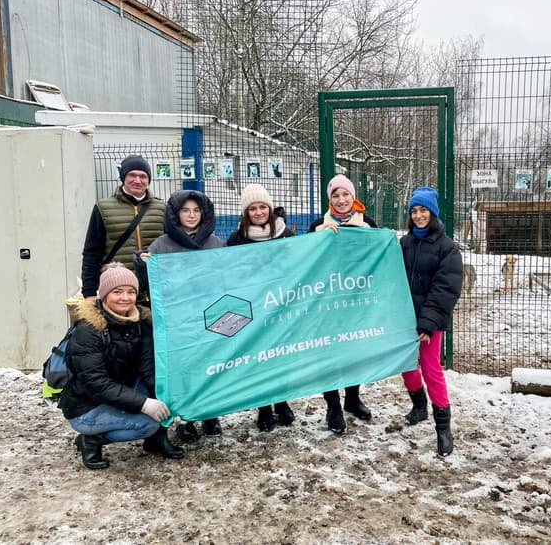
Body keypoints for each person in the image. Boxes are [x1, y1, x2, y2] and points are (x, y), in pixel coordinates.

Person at [60, 263, 185, 470]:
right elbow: (97, 384)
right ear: (104, 295)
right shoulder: (88, 331)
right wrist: (144, 404)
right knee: (148, 423)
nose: (125, 298)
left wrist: (173, 400)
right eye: (117, 292)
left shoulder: (139, 323)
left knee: (160, 391)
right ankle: (91, 439)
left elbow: (148, 369)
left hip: (121, 391)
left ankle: (156, 440)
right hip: (87, 406)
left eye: (131, 292)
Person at [143, 189, 226, 443]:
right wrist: (143, 265)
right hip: (178, 321)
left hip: (209, 316)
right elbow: (149, 283)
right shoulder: (161, 245)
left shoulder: (216, 243)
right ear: (175, 214)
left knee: (210, 365)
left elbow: (225, 278)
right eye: (185, 210)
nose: (191, 215)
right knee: (185, 369)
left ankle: (210, 413)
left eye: (196, 210)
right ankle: (186, 418)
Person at [307, 174, 377, 434]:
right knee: (328, 353)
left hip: (356, 299)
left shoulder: (367, 224)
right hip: (326, 301)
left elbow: (377, 257)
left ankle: (352, 398)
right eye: (335, 195)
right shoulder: (318, 225)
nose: (341, 199)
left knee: (354, 350)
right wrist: (319, 240)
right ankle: (333, 405)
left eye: (345, 194)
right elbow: (306, 262)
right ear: (330, 200)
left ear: (353, 196)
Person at [226, 184, 296, 432]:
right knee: (259, 358)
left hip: (280, 305)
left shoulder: (285, 234)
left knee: (280, 356)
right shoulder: (236, 239)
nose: (258, 212)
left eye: (262, 207)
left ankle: (282, 401)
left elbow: (299, 263)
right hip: (253, 307)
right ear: (246, 212)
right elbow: (230, 272)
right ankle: (264, 406)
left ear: (270, 208)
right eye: (252, 208)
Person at [399, 187, 463, 457]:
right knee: (405, 365)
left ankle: (443, 428)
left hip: (429, 322)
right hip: (404, 317)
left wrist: (428, 323)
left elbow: (446, 289)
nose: (418, 215)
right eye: (414, 211)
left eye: (423, 210)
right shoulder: (404, 243)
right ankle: (419, 406)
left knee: (430, 368)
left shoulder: (447, 248)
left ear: (433, 213)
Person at [81, 155, 166, 300]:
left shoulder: (162, 208)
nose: (137, 180)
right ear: (123, 177)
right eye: (132, 175)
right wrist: (89, 292)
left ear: (149, 180)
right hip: (118, 289)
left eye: (143, 176)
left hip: (154, 288)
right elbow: (92, 252)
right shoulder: (103, 208)